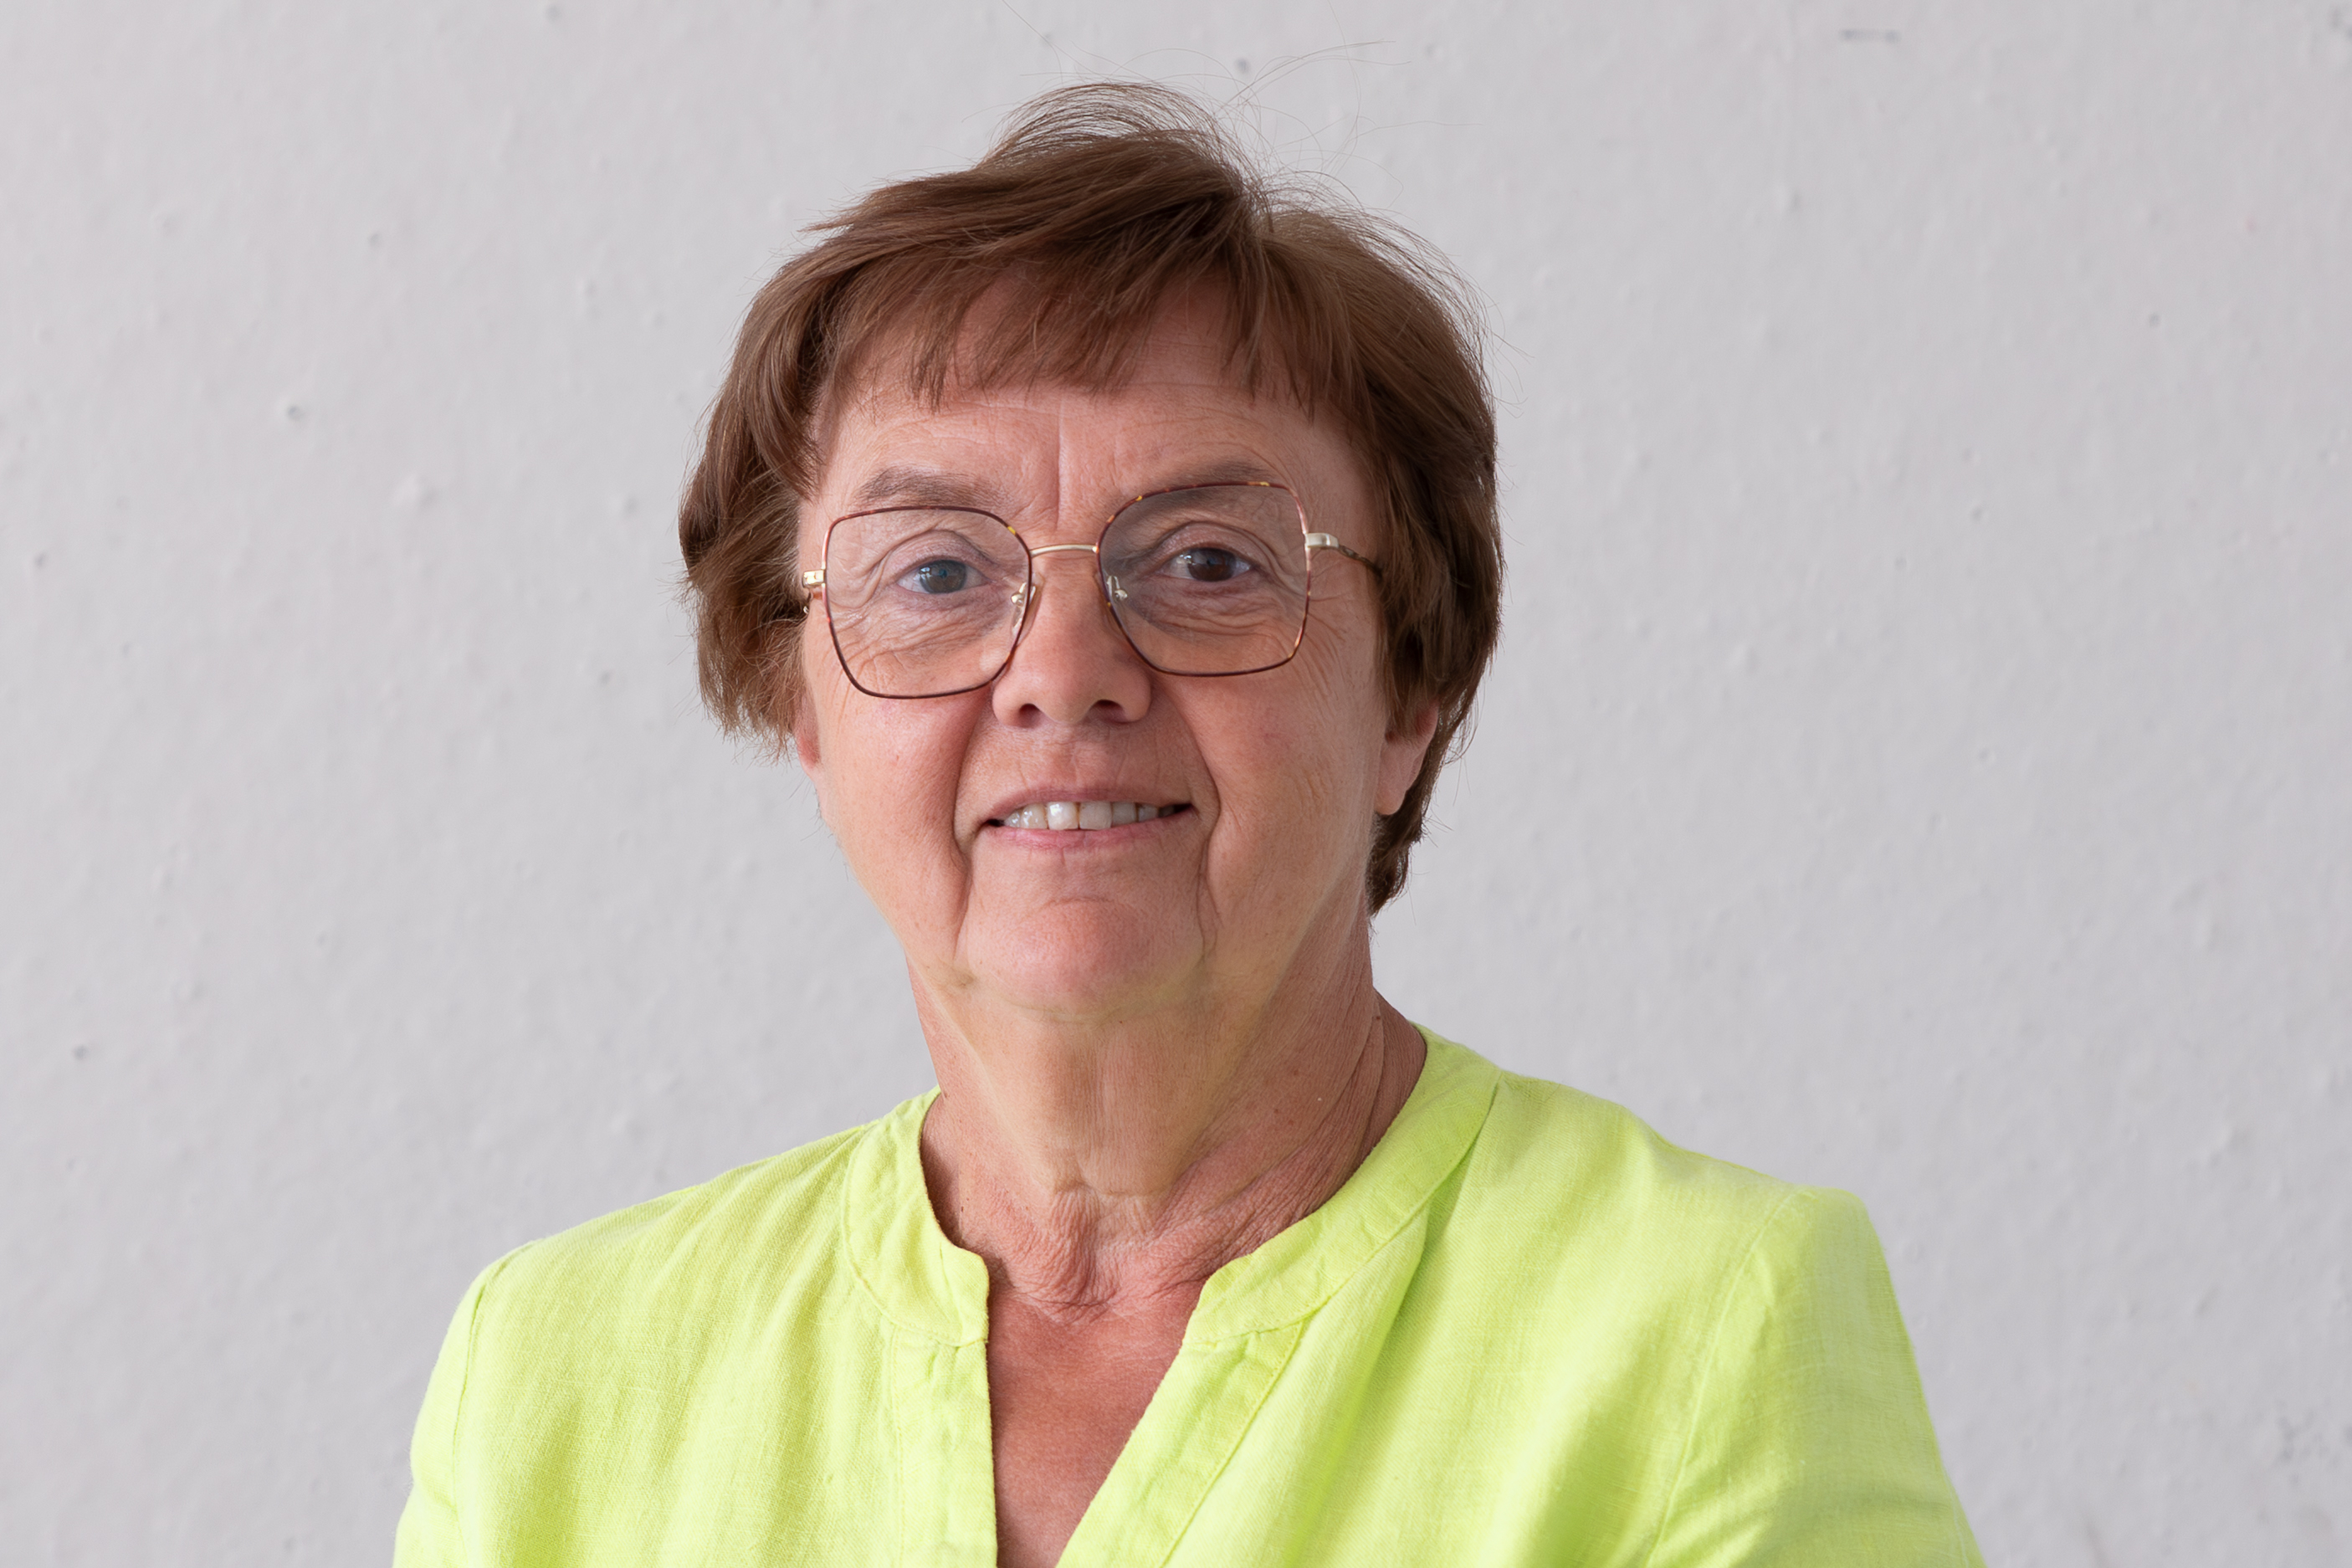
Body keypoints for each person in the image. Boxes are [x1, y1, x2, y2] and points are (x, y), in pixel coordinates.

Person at [396, 84, 1983, 1567]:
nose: (1062, 673)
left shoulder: (1706, 1325)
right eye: (936, 570)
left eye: (1210, 561)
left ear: (1411, 692)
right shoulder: (554, 1374)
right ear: (798, 700)